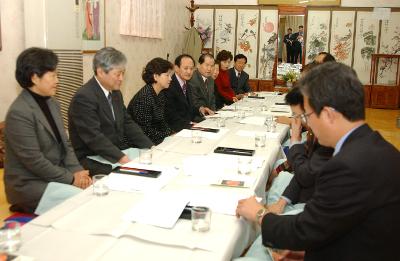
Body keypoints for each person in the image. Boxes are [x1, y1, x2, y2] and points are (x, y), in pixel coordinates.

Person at [236, 62, 400, 260]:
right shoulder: (376, 146)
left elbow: (305, 229)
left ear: (329, 114)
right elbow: (337, 226)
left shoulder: (347, 166)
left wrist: (258, 213)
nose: (308, 123)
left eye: (308, 115)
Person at [4, 47, 91, 214]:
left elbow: (65, 144)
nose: (57, 80)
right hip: (29, 184)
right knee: (83, 202)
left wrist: (78, 172)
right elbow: (34, 161)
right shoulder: (19, 113)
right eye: (53, 75)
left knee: (94, 191)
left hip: (55, 176)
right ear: (35, 78)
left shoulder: (52, 103)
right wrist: (72, 179)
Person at [68, 47, 153, 175]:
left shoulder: (115, 93)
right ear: (101, 72)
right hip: (91, 157)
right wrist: (123, 159)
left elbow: (127, 123)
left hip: (114, 152)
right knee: (133, 174)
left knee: (150, 163)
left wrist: (150, 147)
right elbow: (94, 137)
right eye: (118, 74)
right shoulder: (84, 97)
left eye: (123, 73)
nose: (121, 78)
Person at [268, 87, 333, 214]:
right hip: (306, 187)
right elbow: (304, 171)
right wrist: (281, 202)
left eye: (301, 116)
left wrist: (294, 142)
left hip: (317, 205)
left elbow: (304, 174)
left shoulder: (328, 139)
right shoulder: (317, 133)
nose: (297, 121)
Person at [127, 58, 174, 145]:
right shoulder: (144, 97)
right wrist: (168, 136)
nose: (170, 79)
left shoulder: (160, 93)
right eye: (167, 75)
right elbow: (145, 131)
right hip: (138, 144)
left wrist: (171, 133)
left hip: (154, 139)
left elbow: (161, 121)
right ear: (155, 76)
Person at [163, 54, 200, 132]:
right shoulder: (168, 85)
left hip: (187, 127)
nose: (189, 72)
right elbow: (170, 116)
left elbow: (188, 109)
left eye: (191, 68)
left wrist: (200, 110)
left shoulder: (188, 85)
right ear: (176, 68)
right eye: (186, 68)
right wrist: (190, 125)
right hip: (174, 130)